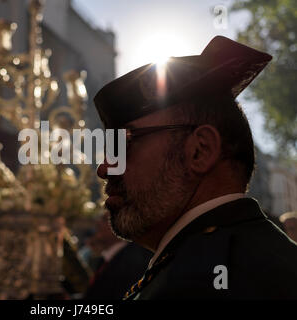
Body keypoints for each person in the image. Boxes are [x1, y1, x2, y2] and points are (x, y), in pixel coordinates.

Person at [93, 36, 297, 299]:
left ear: (200, 150)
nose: (105, 167)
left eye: (123, 144)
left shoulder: (195, 283)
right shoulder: (259, 259)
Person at [82, 212, 152, 299]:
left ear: (122, 225)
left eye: (105, 219)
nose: (97, 222)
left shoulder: (132, 262)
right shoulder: (107, 258)